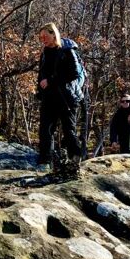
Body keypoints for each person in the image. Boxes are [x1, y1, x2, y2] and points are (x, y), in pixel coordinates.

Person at [36, 22, 83, 170]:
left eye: (45, 36)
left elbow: (74, 73)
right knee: (45, 130)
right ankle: (45, 162)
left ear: (53, 33)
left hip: (66, 98)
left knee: (69, 129)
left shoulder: (67, 50)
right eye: (40, 37)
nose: (43, 39)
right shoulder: (44, 53)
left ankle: (75, 159)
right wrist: (40, 88)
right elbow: (41, 74)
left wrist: (50, 81)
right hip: (49, 98)